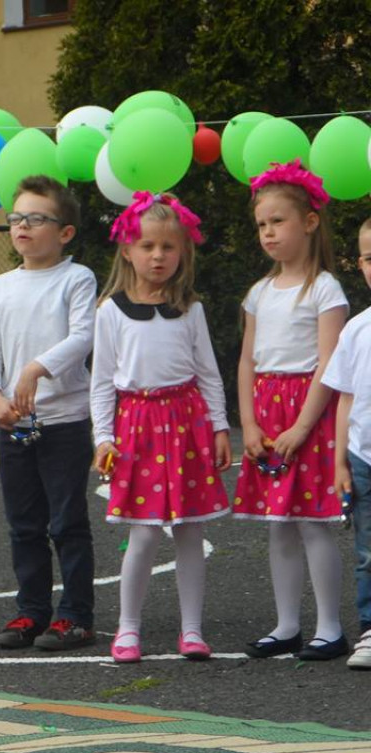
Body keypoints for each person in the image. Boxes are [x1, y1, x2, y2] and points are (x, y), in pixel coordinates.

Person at [92, 192, 232, 663]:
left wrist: (219, 427)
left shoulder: (191, 309)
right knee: (145, 534)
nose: (158, 256)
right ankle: (128, 628)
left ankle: (192, 630)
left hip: (187, 425)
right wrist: (103, 438)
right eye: (147, 246)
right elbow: (101, 383)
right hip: (137, 430)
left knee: (189, 529)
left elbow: (208, 373)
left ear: (182, 252)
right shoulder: (110, 311)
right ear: (127, 250)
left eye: (168, 247)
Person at [234, 161, 349, 661]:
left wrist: (303, 425)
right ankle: (287, 625)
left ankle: (330, 627)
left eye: (278, 221)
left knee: (311, 522)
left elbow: (330, 362)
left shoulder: (324, 288)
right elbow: (246, 362)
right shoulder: (259, 293)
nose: (268, 232)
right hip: (268, 416)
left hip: (309, 415)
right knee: (278, 523)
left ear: (309, 222)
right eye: (262, 224)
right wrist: (249, 424)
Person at [0, 175, 96, 651]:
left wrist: (34, 369)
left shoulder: (76, 278)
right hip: (14, 425)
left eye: (36, 218)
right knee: (23, 525)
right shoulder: (1, 285)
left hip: (64, 422)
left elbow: (83, 336)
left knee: (67, 523)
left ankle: (76, 616)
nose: (22, 226)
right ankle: (32, 610)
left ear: (65, 232)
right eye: (17, 218)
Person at [323, 218, 371, 670]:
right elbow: (346, 398)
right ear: (360, 264)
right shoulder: (356, 329)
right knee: (368, 550)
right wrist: (340, 461)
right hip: (363, 458)